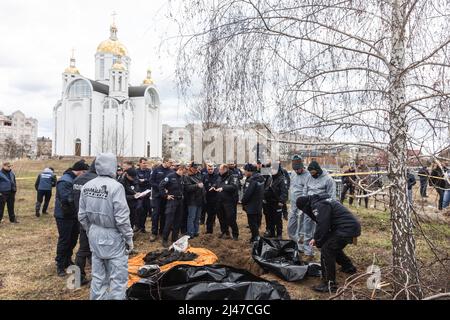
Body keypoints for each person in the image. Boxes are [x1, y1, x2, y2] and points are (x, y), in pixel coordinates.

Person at [78, 153, 134, 300]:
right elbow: (122, 218)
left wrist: (90, 231)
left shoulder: (87, 186)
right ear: (112, 166)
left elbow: (82, 215)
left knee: (97, 276)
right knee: (118, 277)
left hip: (94, 233)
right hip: (112, 235)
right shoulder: (116, 187)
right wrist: (128, 238)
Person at [296, 194, 361, 293]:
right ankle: (348, 267)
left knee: (327, 250)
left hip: (346, 229)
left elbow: (323, 225)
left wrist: (318, 241)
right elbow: (325, 224)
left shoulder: (318, 205)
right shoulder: (320, 201)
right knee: (332, 245)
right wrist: (317, 239)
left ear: (305, 206)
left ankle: (329, 284)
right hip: (349, 227)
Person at [54, 160, 89, 277]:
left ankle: (68, 260)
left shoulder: (75, 180)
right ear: (80, 171)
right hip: (64, 216)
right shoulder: (65, 181)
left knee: (73, 239)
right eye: (84, 172)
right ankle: (60, 264)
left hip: (74, 215)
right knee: (64, 240)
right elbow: (65, 198)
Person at [303, 160, 336, 261]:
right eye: (310, 173)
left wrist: (329, 210)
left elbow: (332, 196)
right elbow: (305, 189)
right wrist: (305, 201)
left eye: (313, 173)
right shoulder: (309, 177)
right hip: (309, 206)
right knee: (307, 228)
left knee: (321, 229)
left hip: (322, 209)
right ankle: (308, 252)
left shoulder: (328, 180)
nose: (312, 175)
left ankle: (324, 252)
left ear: (318, 170)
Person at [73, 160, 97, 285]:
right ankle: (98, 277)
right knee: (95, 250)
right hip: (94, 220)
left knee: (83, 249)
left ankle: (78, 278)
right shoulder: (96, 181)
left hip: (80, 217)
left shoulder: (78, 179)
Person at [159, 164, 186, 248]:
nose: (184, 174)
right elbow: (161, 185)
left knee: (178, 221)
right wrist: (166, 195)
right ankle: (165, 239)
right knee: (169, 221)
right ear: (180, 169)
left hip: (179, 201)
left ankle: (174, 238)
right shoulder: (170, 176)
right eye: (183, 172)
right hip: (172, 201)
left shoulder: (182, 177)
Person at [287, 155, 310, 246]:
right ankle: (293, 241)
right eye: (295, 170)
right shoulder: (293, 174)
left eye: (298, 170)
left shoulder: (308, 176)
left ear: (302, 167)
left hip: (302, 205)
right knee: (291, 225)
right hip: (293, 204)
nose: (297, 171)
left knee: (301, 225)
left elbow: (308, 191)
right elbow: (292, 187)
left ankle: (301, 245)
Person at [149, 158, 173, 242]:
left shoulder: (170, 171)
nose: (171, 164)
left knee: (164, 214)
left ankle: (161, 231)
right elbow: (151, 181)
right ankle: (154, 233)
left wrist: (168, 189)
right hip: (157, 196)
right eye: (170, 162)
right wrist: (160, 188)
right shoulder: (156, 170)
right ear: (165, 162)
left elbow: (171, 183)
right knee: (155, 214)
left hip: (165, 196)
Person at [213, 164, 239, 240]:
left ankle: (235, 234)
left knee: (230, 218)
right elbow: (217, 182)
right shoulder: (219, 176)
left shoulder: (233, 176)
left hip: (229, 201)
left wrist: (223, 188)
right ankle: (225, 232)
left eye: (220, 170)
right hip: (219, 200)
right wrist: (214, 186)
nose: (219, 171)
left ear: (225, 169)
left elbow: (234, 186)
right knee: (221, 217)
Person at [263, 163, 288, 238]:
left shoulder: (282, 179)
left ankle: (279, 234)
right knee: (270, 218)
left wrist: (281, 201)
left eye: (274, 169)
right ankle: (272, 232)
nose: (273, 171)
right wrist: (264, 198)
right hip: (269, 202)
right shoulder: (270, 178)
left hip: (277, 202)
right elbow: (266, 188)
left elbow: (284, 192)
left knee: (278, 219)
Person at [241, 163, 265, 243]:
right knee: (255, 222)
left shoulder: (252, 180)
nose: (244, 172)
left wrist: (243, 201)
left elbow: (248, 193)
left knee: (252, 223)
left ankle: (256, 238)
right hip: (258, 204)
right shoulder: (260, 178)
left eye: (245, 170)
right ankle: (254, 237)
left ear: (249, 171)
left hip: (252, 205)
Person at [184, 162, 205, 238]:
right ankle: (190, 232)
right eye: (195, 168)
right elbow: (187, 188)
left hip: (199, 199)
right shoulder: (187, 176)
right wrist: (197, 185)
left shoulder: (198, 175)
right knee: (191, 217)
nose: (196, 170)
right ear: (191, 168)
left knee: (197, 217)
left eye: (197, 168)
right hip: (192, 200)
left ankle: (196, 231)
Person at [120, 168, 141, 232]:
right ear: (127, 175)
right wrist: (133, 196)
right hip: (125, 204)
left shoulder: (135, 179)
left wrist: (138, 193)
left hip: (134, 204)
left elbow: (136, 187)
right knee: (126, 220)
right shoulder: (121, 182)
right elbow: (121, 196)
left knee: (132, 219)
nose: (133, 178)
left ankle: (130, 233)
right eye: (132, 177)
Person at [136, 158, 152, 233]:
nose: (145, 164)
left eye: (146, 163)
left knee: (145, 211)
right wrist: (142, 181)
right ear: (140, 163)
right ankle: (137, 225)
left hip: (147, 194)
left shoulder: (149, 171)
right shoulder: (136, 171)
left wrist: (144, 180)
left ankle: (142, 227)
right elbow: (136, 181)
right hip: (138, 194)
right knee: (138, 210)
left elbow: (150, 180)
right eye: (143, 163)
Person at [203, 163, 219, 234]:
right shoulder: (205, 176)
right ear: (207, 169)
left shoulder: (217, 176)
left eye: (211, 169)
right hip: (207, 198)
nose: (210, 170)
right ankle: (209, 230)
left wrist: (214, 186)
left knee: (216, 214)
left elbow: (218, 183)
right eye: (209, 169)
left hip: (216, 197)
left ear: (214, 168)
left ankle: (224, 230)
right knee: (209, 214)